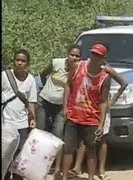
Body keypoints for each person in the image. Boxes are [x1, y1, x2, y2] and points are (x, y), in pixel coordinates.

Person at [69, 63, 128, 179]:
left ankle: (101, 170)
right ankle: (77, 167)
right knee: (84, 139)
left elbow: (124, 83)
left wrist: (111, 102)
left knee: (102, 139)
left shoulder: (107, 70)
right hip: (87, 109)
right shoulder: (86, 68)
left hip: (101, 110)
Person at [36, 44, 81, 177]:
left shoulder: (79, 70)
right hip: (44, 101)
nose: (74, 58)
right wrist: (47, 88)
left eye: (77, 56)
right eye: (72, 55)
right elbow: (43, 74)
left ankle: (57, 168)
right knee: (40, 133)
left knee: (58, 136)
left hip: (61, 106)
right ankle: (38, 164)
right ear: (67, 54)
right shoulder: (56, 63)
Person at [2, 49, 37, 180]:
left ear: (27, 64)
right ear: (13, 61)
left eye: (23, 61)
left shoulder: (31, 80)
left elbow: (32, 101)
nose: (19, 63)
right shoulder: (4, 76)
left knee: (20, 156)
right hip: (5, 124)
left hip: (22, 124)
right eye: (17, 60)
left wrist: (33, 119)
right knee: (5, 155)